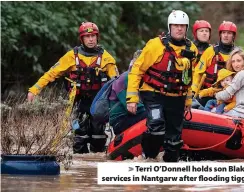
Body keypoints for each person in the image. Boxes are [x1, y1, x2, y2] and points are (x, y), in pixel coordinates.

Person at [27, 22, 119, 153]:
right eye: (87, 36)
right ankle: (80, 161)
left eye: (93, 36)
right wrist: (34, 89)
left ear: (97, 37)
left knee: (98, 136)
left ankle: (95, 165)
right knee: (79, 136)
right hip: (78, 101)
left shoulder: (106, 58)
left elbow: (117, 82)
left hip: (98, 102)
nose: (91, 39)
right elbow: (51, 73)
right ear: (82, 39)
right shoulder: (71, 56)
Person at [125, 10, 198, 162]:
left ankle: (168, 177)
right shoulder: (155, 45)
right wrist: (131, 97)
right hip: (153, 93)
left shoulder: (192, 50)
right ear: (170, 27)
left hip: (177, 97)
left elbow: (188, 79)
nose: (179, 29)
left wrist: (188, 101)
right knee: (156, 127)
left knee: (174, 142)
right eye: (176, 25)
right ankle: (147, 159)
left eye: (182, 26)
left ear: (187, 28)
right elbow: (137, 70)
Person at [192, 21, 238, 107]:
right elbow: (198, 73)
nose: (226, 35)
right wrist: (193, 91)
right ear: (220, 35)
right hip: (208, 93)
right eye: (223, 33)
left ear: (233, 36)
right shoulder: (210, 51)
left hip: (229, 96)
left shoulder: (237, 54)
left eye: (229, 33)